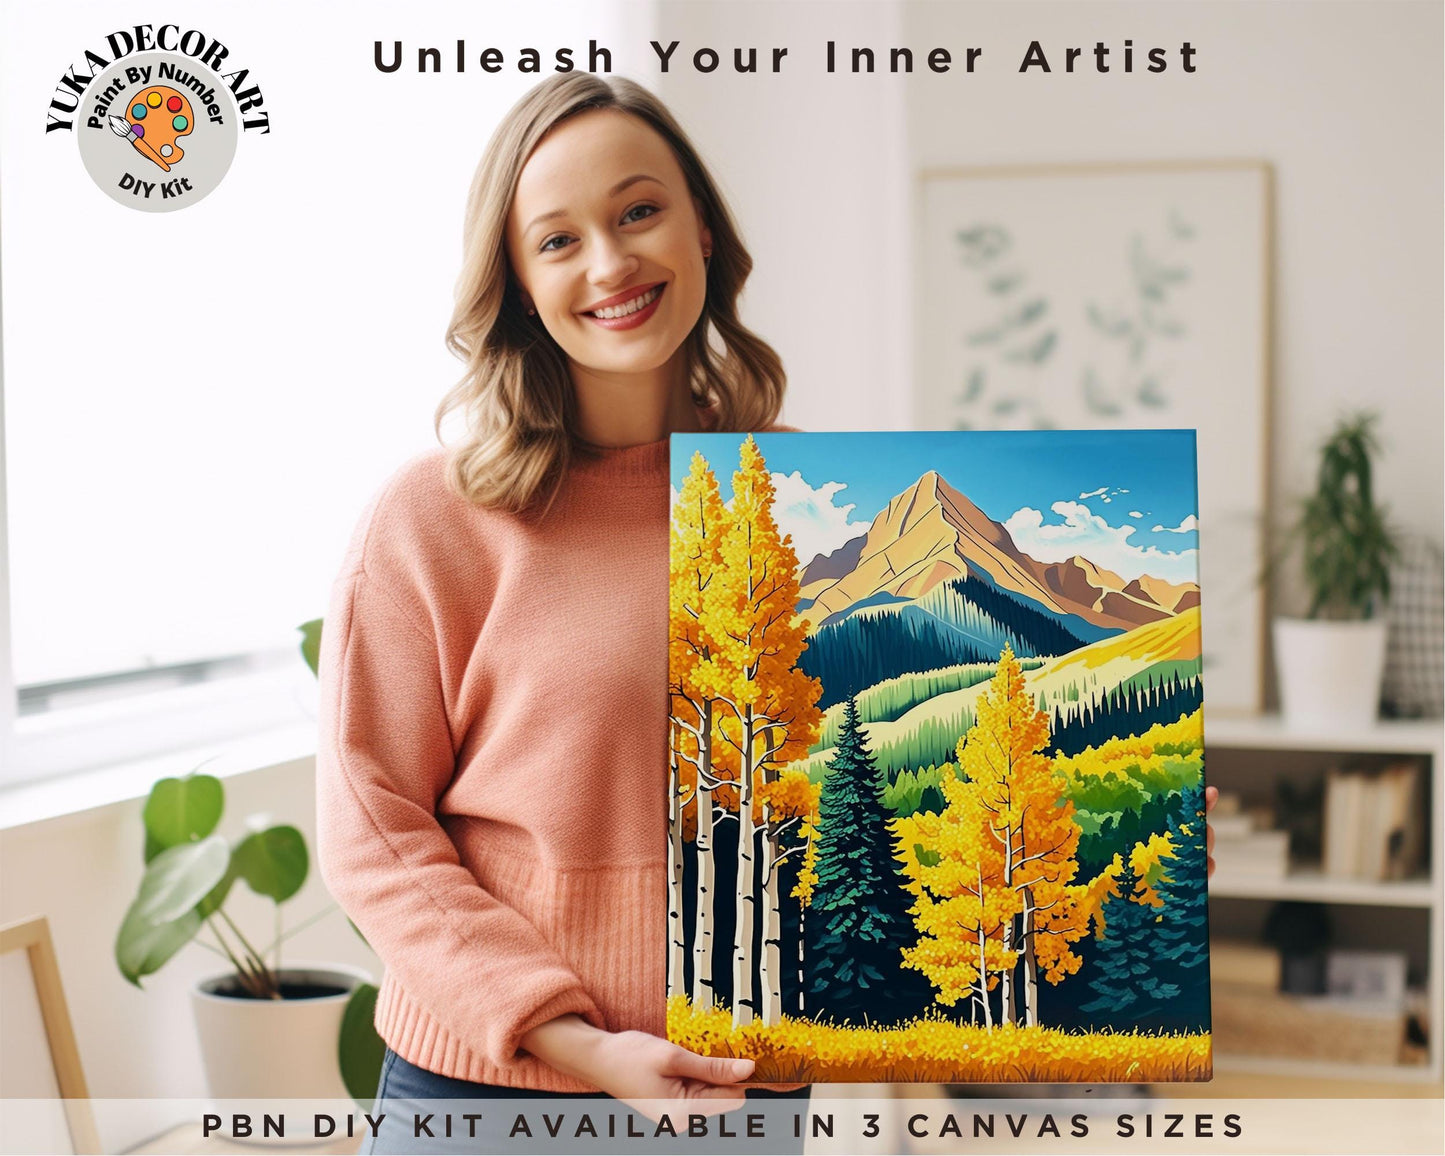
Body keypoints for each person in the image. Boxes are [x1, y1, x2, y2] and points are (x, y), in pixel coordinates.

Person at [314, 72, 808, 1155]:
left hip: (739, 1086)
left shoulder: (809, 509)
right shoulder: (431, 518)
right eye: (557, 239)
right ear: (520, 286)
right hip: (493, 1091)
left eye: (638, 211)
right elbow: (370, 827)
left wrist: (1120, 835)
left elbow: (856, 802)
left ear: (704, 231)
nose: (609, 263)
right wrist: (578, 1042)